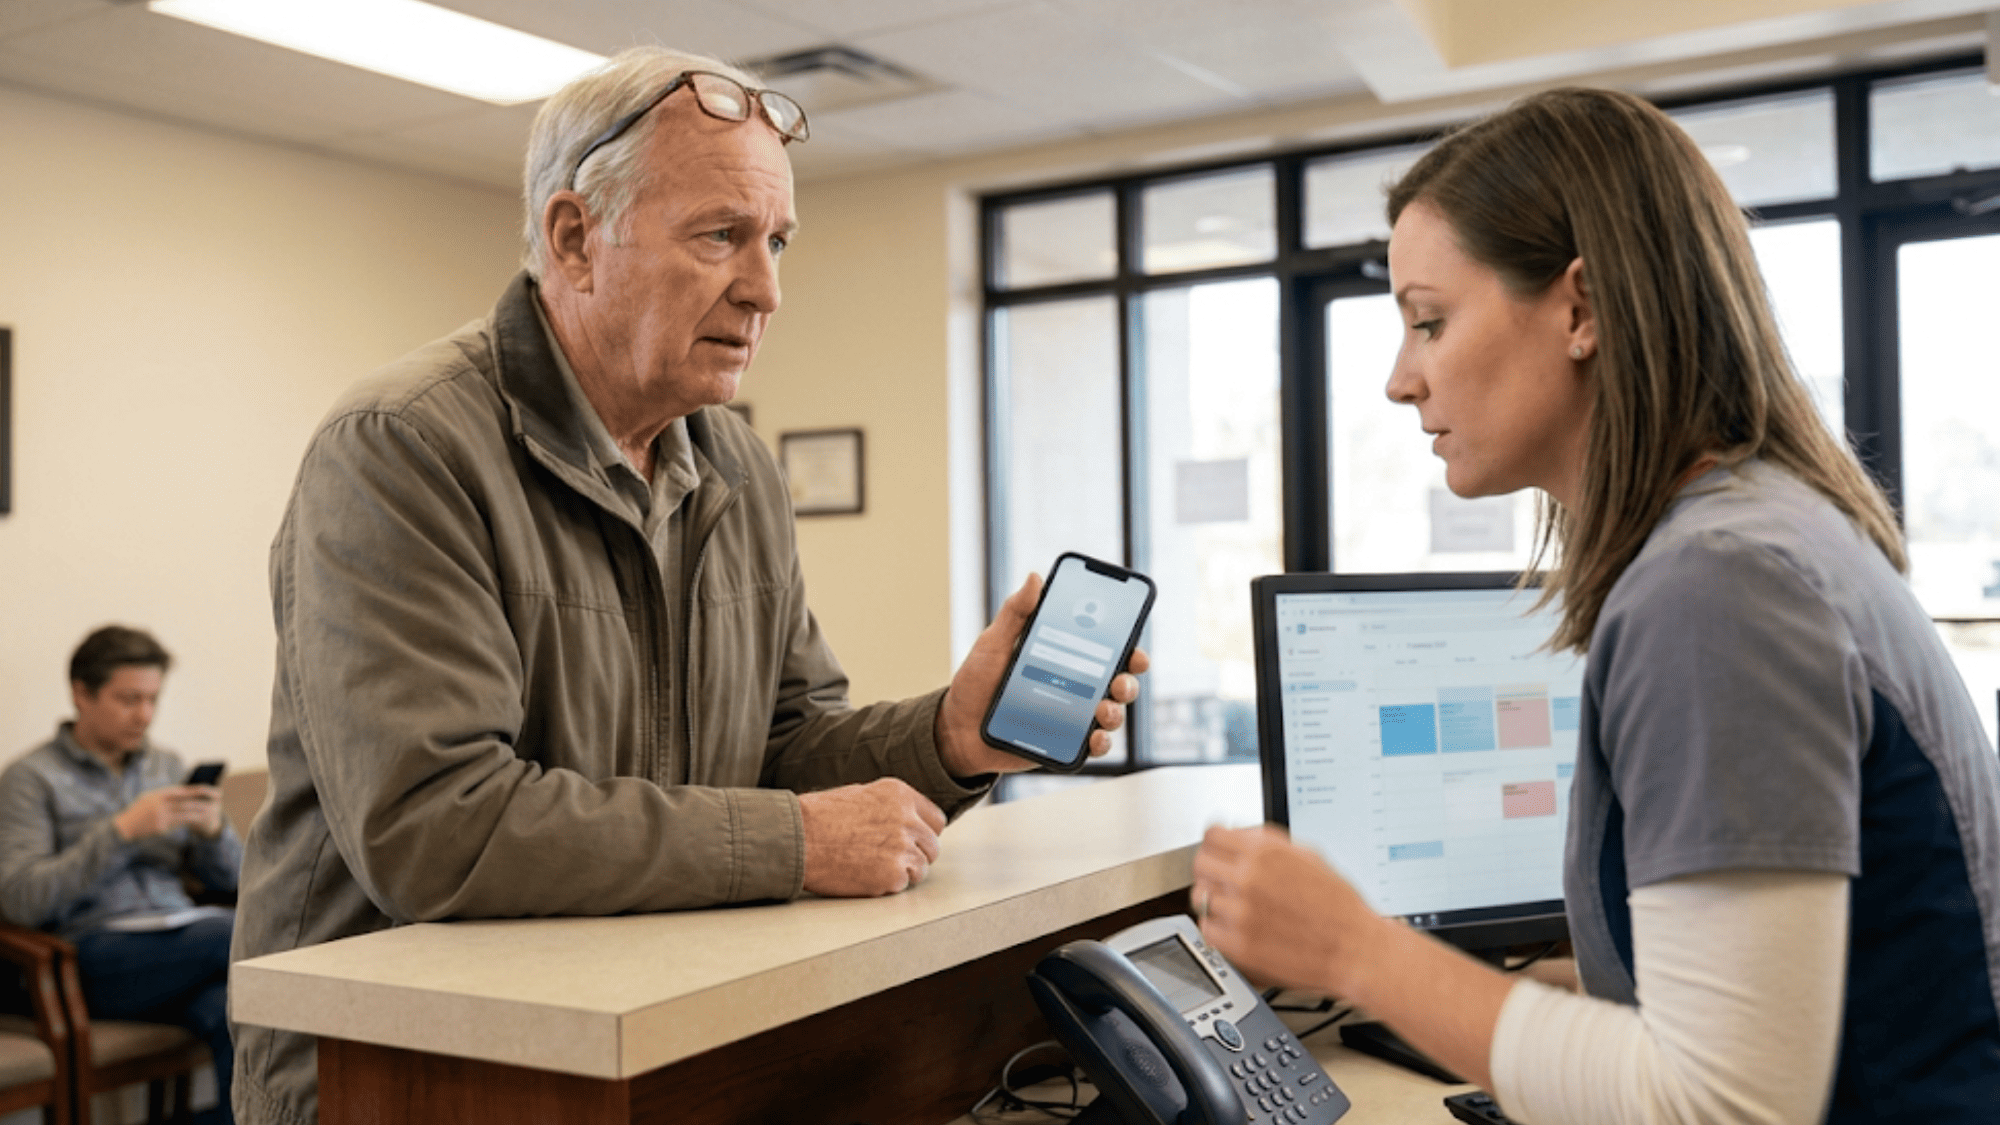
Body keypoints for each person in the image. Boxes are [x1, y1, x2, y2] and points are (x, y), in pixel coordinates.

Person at [227, 45, 1145, 1125]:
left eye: (775, 242)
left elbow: (786, 747)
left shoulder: (736, 466)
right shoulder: (400, 447)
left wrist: (949, 736)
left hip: (644, 1035)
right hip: (408, 1073)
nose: (764, 289)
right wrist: (795, 845)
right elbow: (435, 829)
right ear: (575, 239)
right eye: (720, 236)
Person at [1191, 86, 2000, 1124]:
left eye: (1429, 322)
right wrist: (1537, 996)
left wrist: (1354, 950)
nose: (1399, 381)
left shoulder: (1714, 587)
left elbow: (1725, 1105)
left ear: (1580, 309)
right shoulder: (1759, 529)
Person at [0, 625, 241, 1125]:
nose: (145, 715)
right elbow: (21, 900)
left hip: (182, 945)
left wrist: (213, 832)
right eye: (128, 699)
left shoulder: (166, 765)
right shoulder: (30, 780)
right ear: (81, 694)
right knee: (239, 933)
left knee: (234, 1010)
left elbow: (238, 878)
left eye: (153, 698)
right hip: (93, 957)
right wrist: (121, 833)